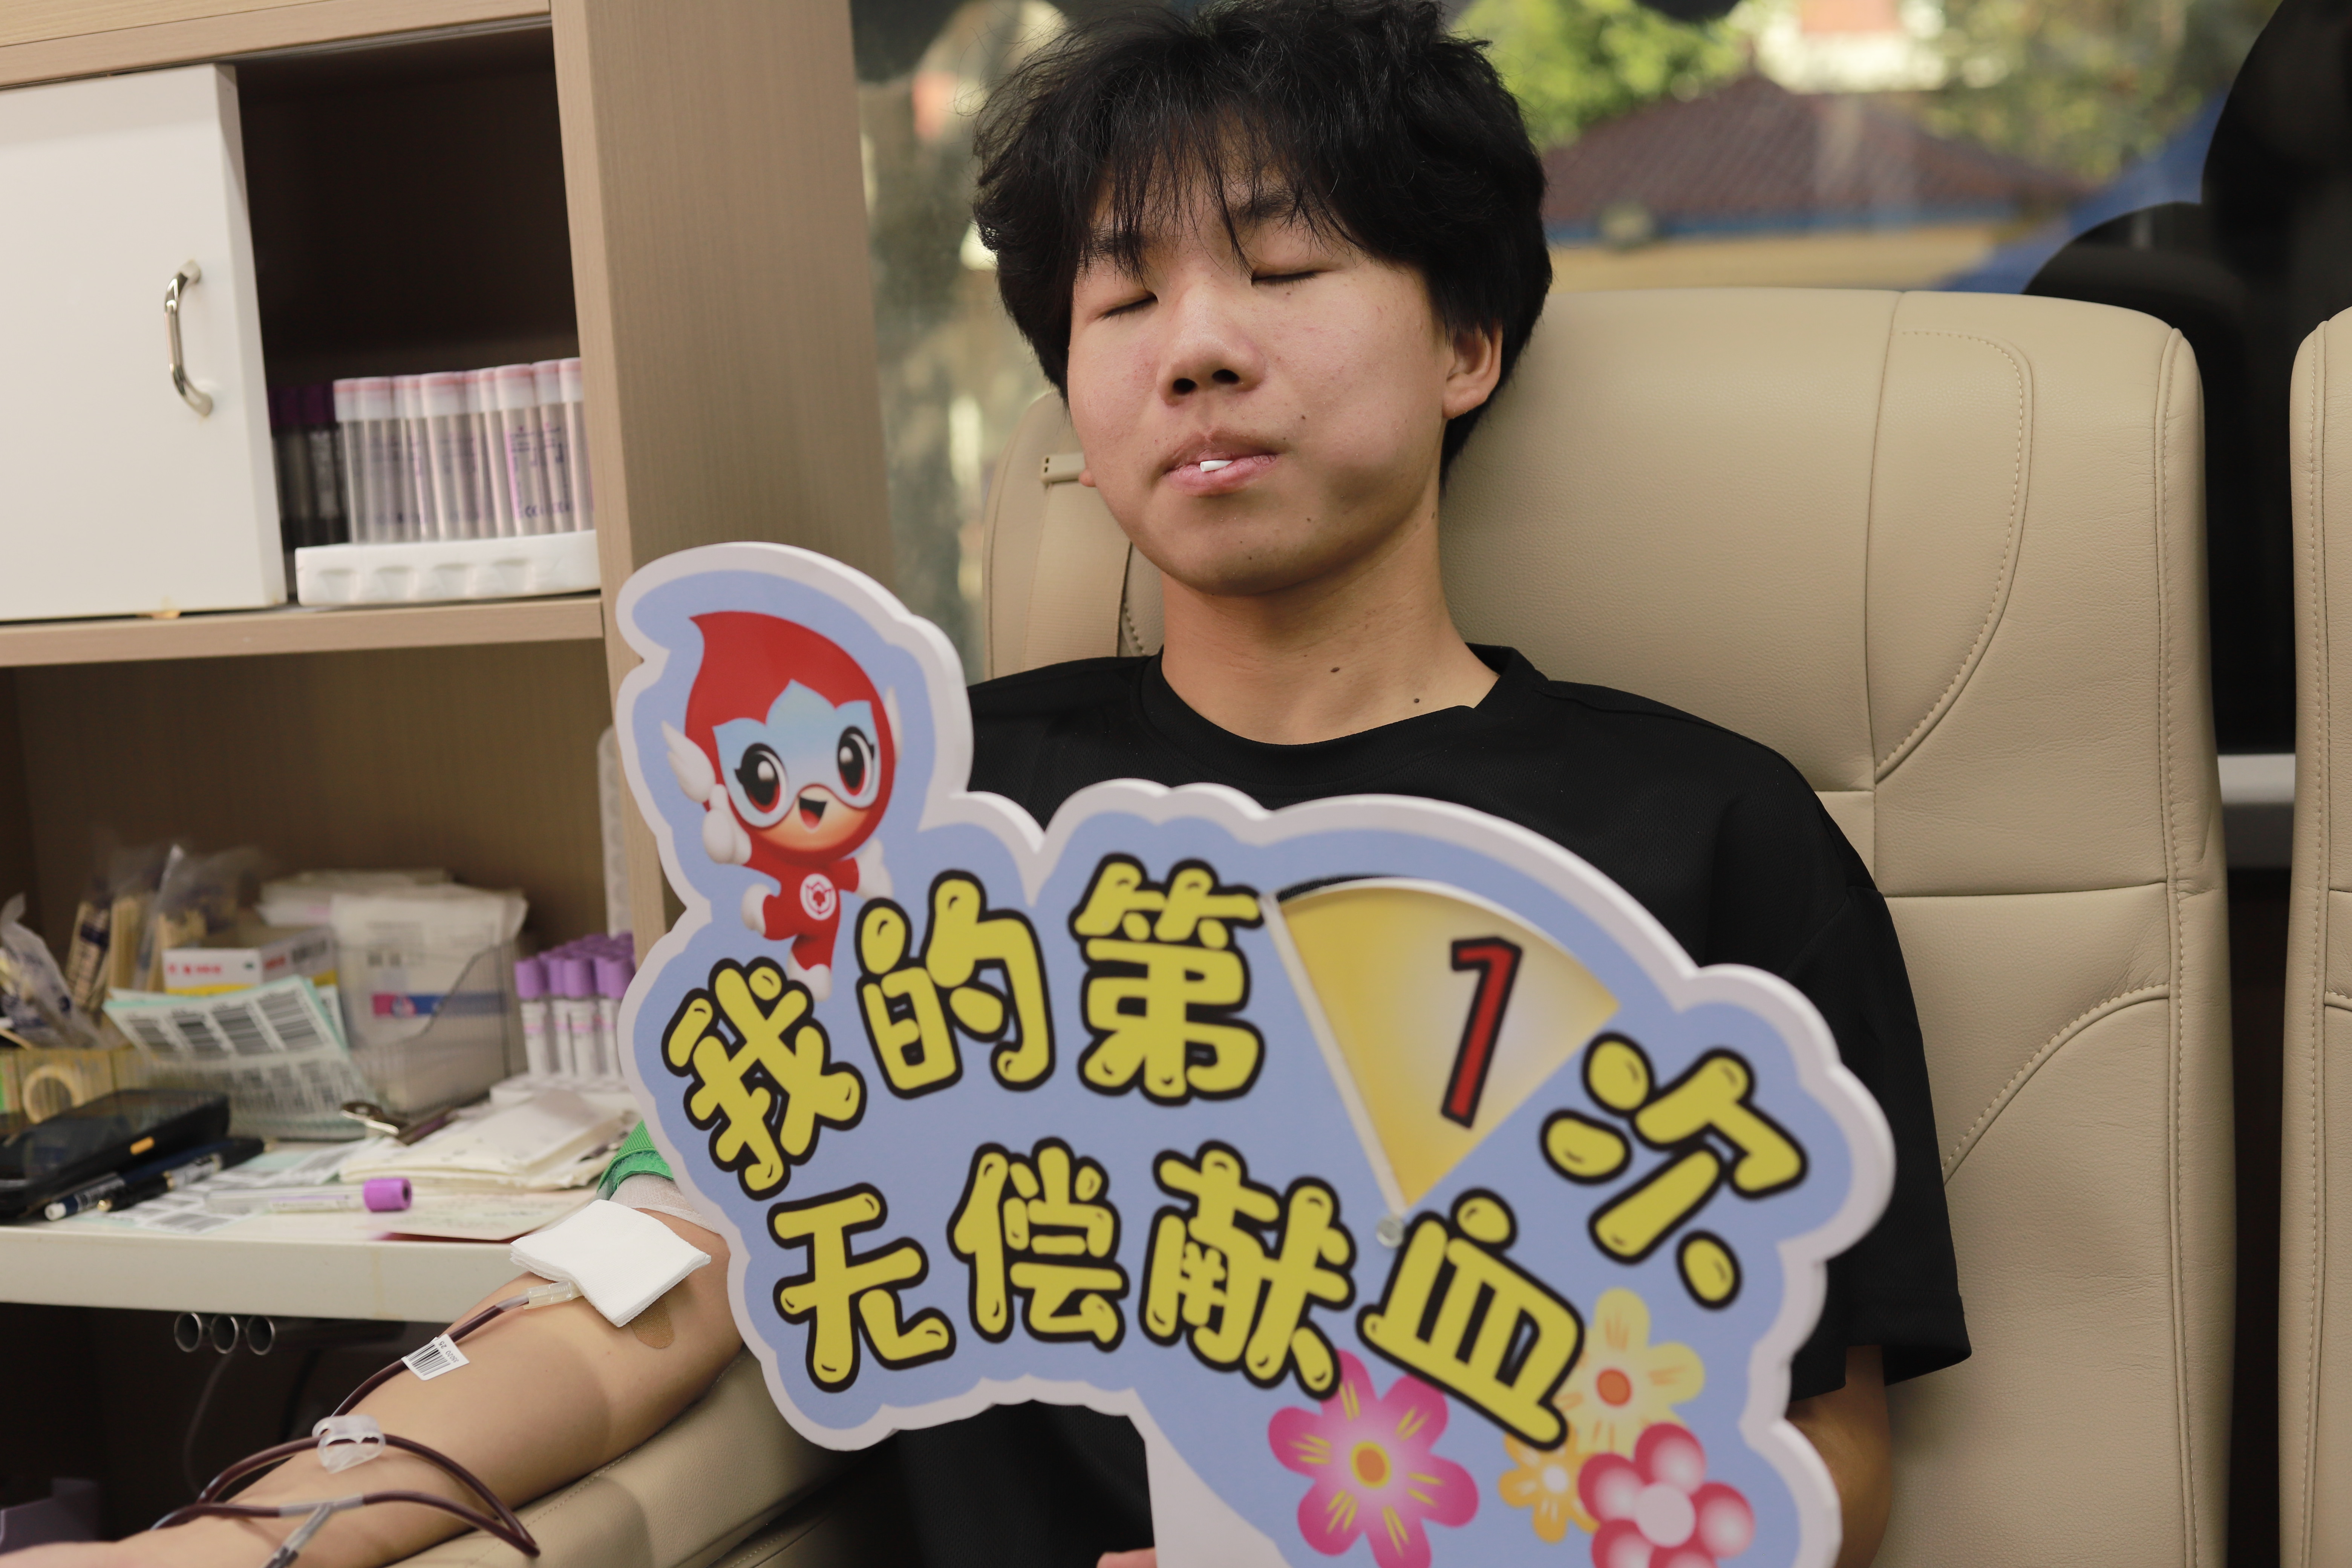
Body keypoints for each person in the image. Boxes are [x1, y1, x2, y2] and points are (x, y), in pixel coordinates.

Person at [15, 4, 1964, 1566]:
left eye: (1284, 265)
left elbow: (1821, 1450)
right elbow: (653, 1273)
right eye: (1122, 304)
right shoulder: (927, 820)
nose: (1197, 351)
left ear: (1466, 341)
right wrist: (251, 1535)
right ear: (1077, 409)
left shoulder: (1708, 837)